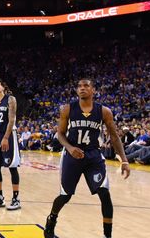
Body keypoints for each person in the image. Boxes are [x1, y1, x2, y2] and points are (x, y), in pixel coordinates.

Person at [43, 78, 131, 238]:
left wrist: (124, 160)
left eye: (86, 86)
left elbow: (114, 135)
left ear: (93, 91)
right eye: (79, 86)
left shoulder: (104, 111)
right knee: (65, 195)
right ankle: (51, 220)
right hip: (72, 155)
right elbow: (60, 134)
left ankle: (107, 235)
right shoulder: (67, 109)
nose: (82, 88)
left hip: (93, 156)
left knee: (104, 193)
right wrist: (70, 148)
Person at [0, 81, 21, 210]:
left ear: (3, 87)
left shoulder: (10, 99)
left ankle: (16, 199)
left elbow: (11, 119)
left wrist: (6, 137)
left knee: (12, 166)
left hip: (8, 135)